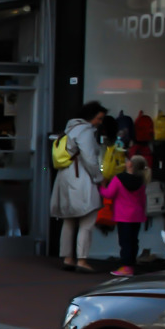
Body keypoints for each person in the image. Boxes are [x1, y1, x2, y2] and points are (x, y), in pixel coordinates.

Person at [50, 101, 107, 272]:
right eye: (99, 118)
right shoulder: (86, 132)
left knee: (69, 220)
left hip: (65, 177)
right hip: (81, 178)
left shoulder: (69, 129)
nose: (100, 122)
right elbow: (89, 158)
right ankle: (82, 260)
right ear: (91, 117)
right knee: (87, 219)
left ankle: (68, 258)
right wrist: (99, 178)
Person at [102, 153, 148, 277]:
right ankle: (131, 265)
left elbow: (108, 194)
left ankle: (126, 267)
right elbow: (143, 200)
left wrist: (100, 187)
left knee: (124, 241)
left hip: (123, 215)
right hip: (137, 215)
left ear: (130, 165)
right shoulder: (142, 180)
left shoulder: (119, 178)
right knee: (133, 241)